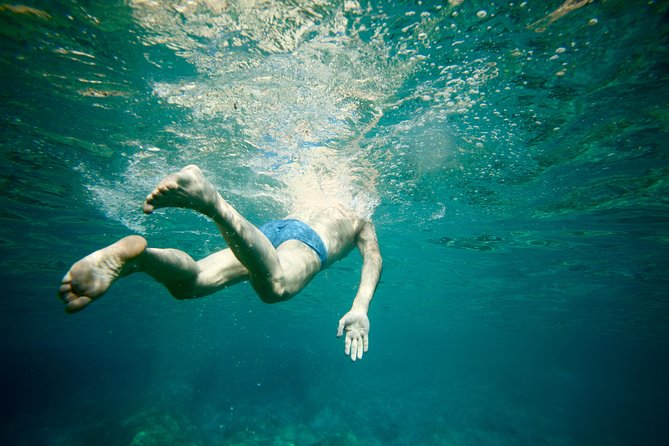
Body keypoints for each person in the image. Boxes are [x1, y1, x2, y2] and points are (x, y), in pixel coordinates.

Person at [58, 165, 382, 361]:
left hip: (270, 231)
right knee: (276, 288)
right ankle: (214, 205)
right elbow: (373, 260)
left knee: (191, 283)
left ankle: (142, 258)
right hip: (308, 239)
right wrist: (360, 307)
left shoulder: (317, 194)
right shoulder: (361, 216)